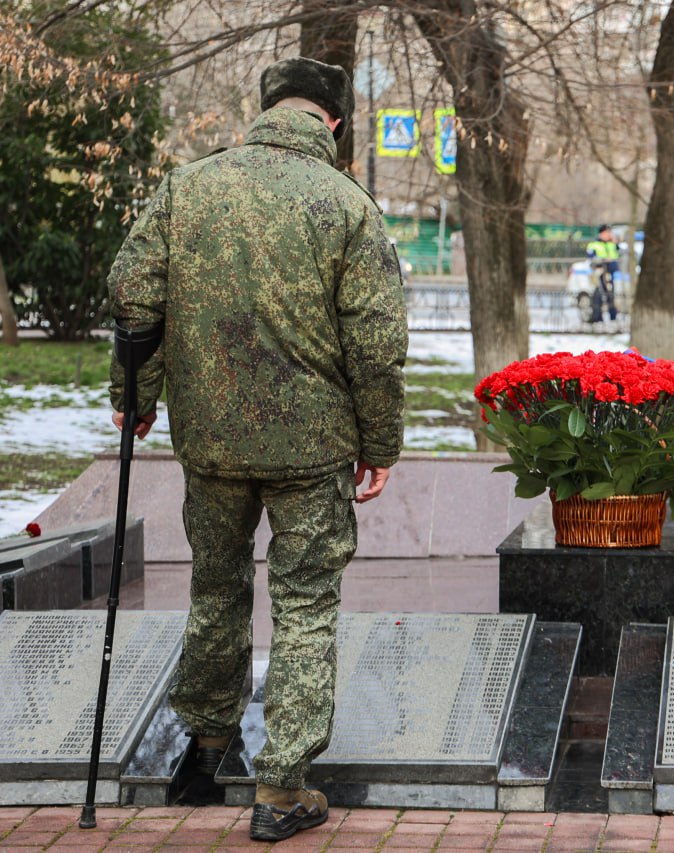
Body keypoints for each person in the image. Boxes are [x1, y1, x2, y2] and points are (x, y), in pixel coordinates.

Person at [107, 57, 407, 842]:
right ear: (335, 122)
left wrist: (135, 395)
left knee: (215, 584)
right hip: (312, 447)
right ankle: (281, 786)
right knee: (305, 602)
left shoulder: (188, 186)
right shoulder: (347, 205)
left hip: (210, 438)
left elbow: (133, 290)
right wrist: (381, 443)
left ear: (267, 108)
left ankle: (202, 752)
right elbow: (375, 345)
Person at [585, 223, 620, 327]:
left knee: (611, 295)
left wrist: (615, 243)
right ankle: (597, 318)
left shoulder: (612, 244)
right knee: (598, 295)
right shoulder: (594, 244)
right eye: (607, 232)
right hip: (599, 273)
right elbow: (591, 257)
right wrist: (603, 260)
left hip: (610, 273)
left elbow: (618, 253)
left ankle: (613, 318)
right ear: (601, 233)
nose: (609, 234)